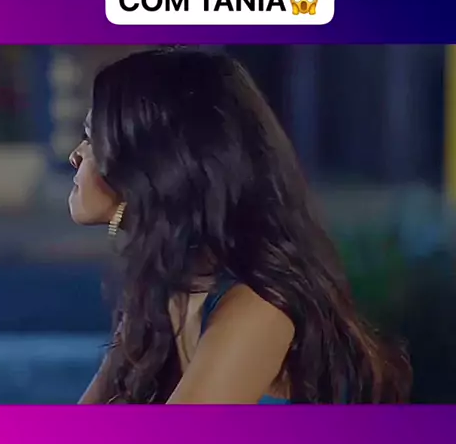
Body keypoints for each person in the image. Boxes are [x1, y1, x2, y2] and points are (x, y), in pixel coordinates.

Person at [68, 47, 411, 404]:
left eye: (93, 139)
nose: (76, 155)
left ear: (152, 163)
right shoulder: (163, 291)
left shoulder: (257, 308)